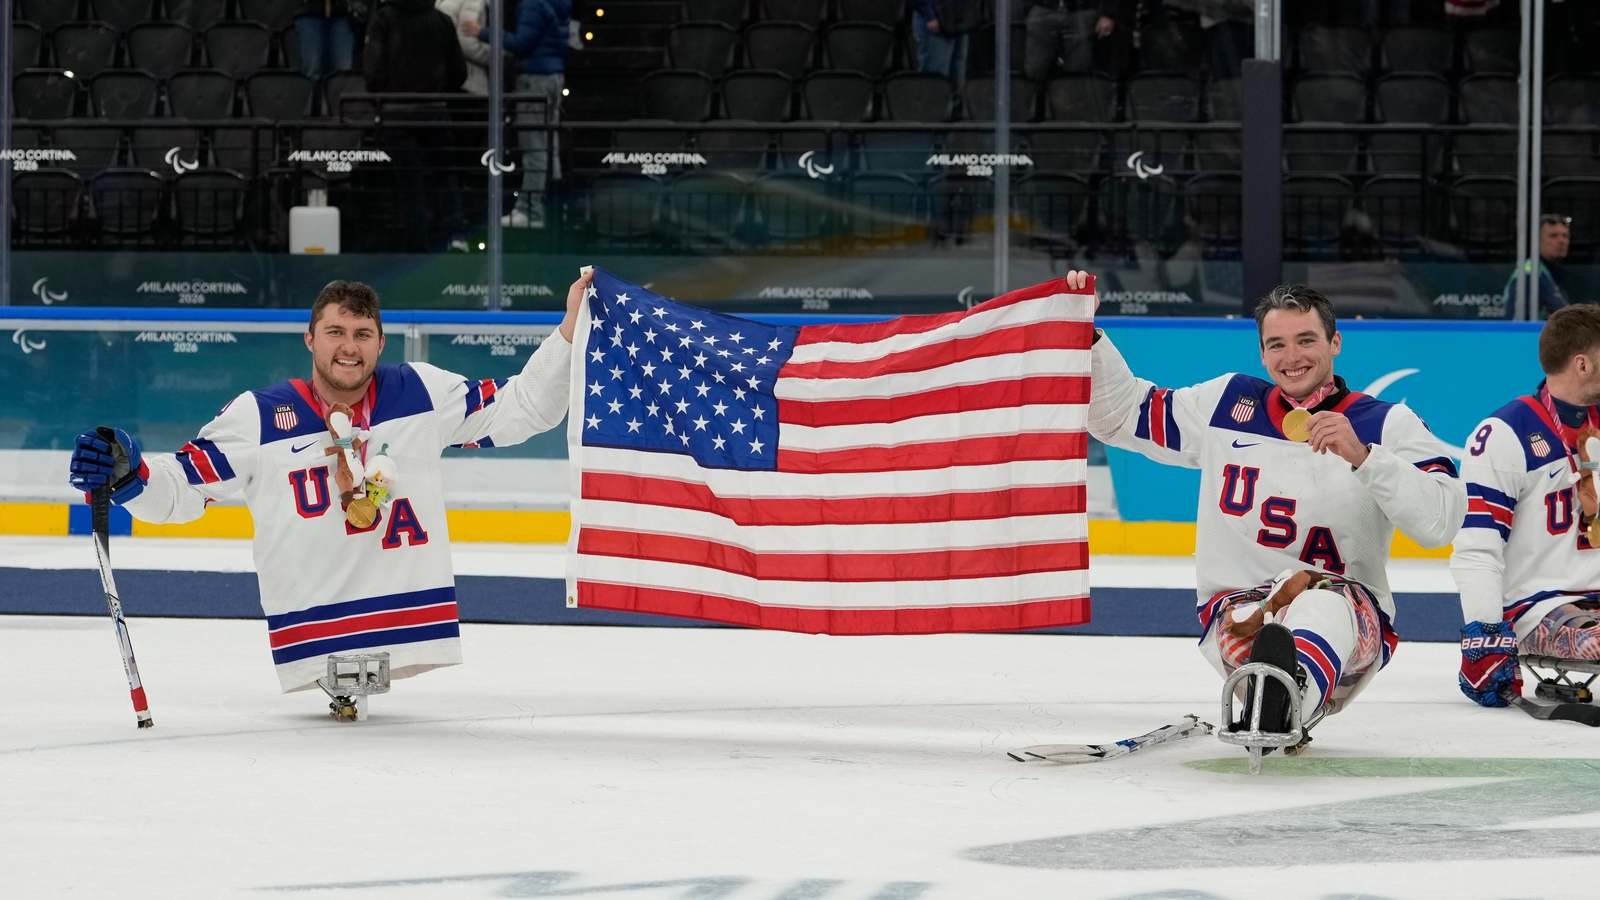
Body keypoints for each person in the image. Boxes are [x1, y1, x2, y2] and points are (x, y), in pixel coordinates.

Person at [65, 273, 586, 703]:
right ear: (310, 339)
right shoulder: (259, 416)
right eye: (335, 332)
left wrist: (568, 326)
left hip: (407, 625)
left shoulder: (422, 392)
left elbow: (524, 409)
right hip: (312, 636)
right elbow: (181, 492)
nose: (349, 346)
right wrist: (132, 474)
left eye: (362, 333)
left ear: (381, 343)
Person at [1081, 273, 1466, 744]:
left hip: (1349, 622)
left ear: (1336, 342)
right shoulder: (1226, 403)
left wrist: (1366, 458)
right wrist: (1089, 334)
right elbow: (1121, 416)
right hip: (1240, 613)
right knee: (1263, 628)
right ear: (1262, 353)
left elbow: (1442, 522)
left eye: (1306, 340)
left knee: (1321, 602)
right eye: (1277, 345)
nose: (1292, 357)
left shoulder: (1387, 424)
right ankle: (1274, 696)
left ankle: (1284, 702)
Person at [1451, 306, 1600, 709]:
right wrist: (1484, 635)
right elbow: (1477, 549)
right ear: (1582, 364)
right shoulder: (1504, 434)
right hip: (1539, 606)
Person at [364, 0, 471, 252]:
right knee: (446, 175)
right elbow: (459, 72)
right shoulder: (441, 21)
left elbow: (372, 71)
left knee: (409, 184)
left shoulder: (383, 20)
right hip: (434, 111)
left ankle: (416, 247)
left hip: (397, 114)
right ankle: (456, 237)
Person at [463, 0, 572, 229]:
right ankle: (553, 207)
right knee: (549, 146)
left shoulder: (533, 3)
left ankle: (529, 210)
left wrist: (481, 32)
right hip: (554, 77)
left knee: (534, 148)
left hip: (534, 80)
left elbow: (521, 43)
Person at [1021, 0, 1120, 83]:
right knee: (1035, 70)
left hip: (1082, 11)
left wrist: (1109, 13)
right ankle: (1035, 105)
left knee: (1077, 72)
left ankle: (1071, 104)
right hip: (1043, 9)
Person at [1501, 214, 1573, 320]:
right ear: (1537, 241)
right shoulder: (1533, 275)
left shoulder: (1551, 273)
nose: (1561, 241)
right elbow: (1565, 317)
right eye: (1553, 236)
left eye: (1565, 236)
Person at [911, 0, 971, 93]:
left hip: (959, 18)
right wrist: (929, 14)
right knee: (935, 85)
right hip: (936, 17)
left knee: (957, 87)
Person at [436, 0, 493, 95]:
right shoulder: (473, 2)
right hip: (469, 78)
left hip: (447, 74)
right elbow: (467, 44)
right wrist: (497, 56)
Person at [296, 2, 357, 88]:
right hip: (309, 13)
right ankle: (314, 100)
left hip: (343, 14)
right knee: (313, 70)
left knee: (342, 73)